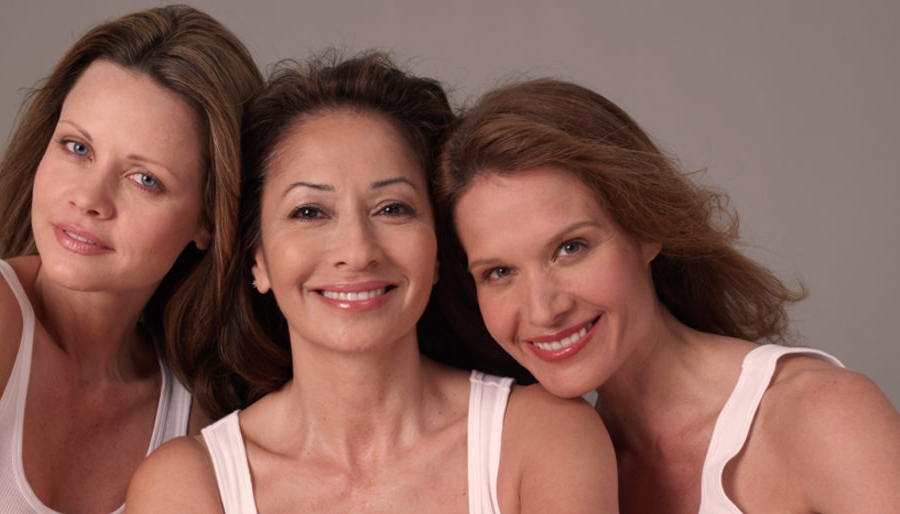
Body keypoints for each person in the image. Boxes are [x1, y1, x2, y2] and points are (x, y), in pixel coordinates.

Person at [126, 53, 617, 513]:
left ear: (439, 249)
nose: (358, 252)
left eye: (392, 209)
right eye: (309, 212)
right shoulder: (186, 486)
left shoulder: (545, 439)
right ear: (258, 260)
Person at [435, 78, 900, 513]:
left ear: (646, 228)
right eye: (499, 272)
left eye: (570, 248)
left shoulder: (821, 415)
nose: (543, 309)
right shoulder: (551, 469)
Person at [0, 6, 262, 513]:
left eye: (145, 179)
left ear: (208, 220)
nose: (89, 198)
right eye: (77, 147)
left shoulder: (194, 423)